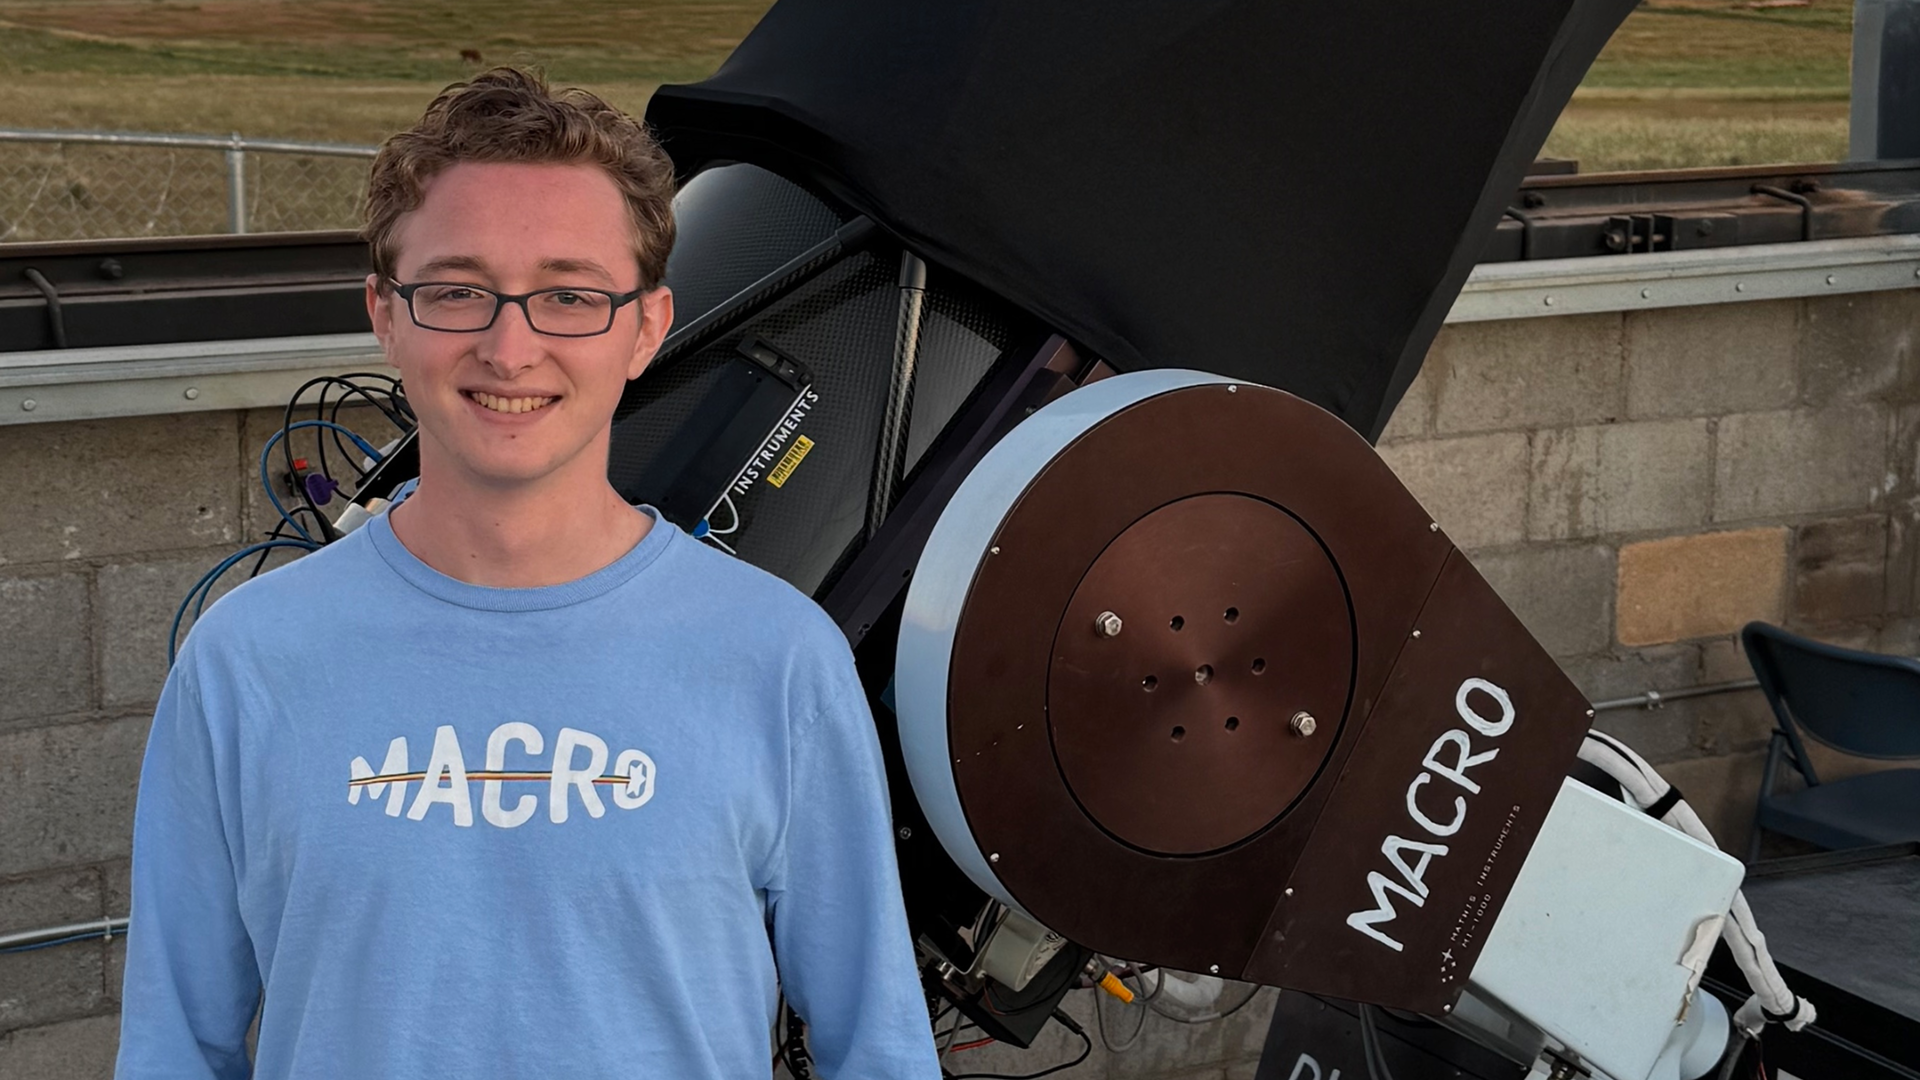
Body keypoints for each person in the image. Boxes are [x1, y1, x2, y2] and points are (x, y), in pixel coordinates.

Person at [116, 67, 941, 1079]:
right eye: (459, 290)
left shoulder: (778, 662)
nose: (512, 347)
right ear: (385, 314)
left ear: (646, 325)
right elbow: (172, 1050)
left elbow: (880, 1048)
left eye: (570, 295)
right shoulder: (246, 662)